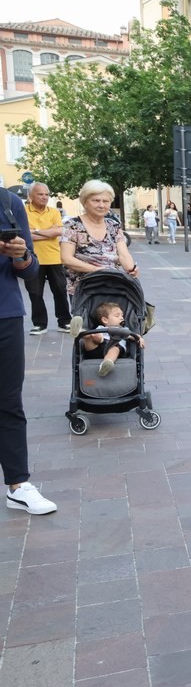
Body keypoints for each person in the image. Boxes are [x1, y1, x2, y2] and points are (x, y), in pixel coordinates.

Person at [1, 189, 56, 516]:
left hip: (5, 313)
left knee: (8, 401)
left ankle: (18, 485)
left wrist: (20, 255)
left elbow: (30, 269)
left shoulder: (8, 203)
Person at [60, 180, 139, 302]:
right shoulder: (72, 225)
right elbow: (66, 258)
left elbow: (124, 254)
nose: (101, 205)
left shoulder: (114, 225)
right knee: (87, 321)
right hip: (84, 288)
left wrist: (131, 269)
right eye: (96, 200)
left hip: (113, 285)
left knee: (114, 320)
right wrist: (97, 270)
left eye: (105, 201)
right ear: (85, 202)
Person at [23, 182, 71, 334]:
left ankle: (64, 321)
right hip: (32, 258)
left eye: (46, 194)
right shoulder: (23, 212)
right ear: (31, 196)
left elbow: (59, 231)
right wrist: (47, 231)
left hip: (54, 257)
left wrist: (35, 231)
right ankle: (40, 324)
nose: (44, 197)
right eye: (40, 194)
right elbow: (25, 235)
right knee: (35, 292)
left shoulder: (54, 212)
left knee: (60, 290)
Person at [78, 302, 144, 377]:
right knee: (91, 337)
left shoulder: (123, 329)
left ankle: (106, 363)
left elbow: (132, 335)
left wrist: (139, 338)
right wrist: (97, 338)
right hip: (97, 347)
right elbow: (96, 336)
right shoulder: (100, 328)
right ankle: (79, 331)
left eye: (122, 315)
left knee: (115, 349)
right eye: (117, 315)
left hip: (114, 345)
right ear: (105, 320)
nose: (121, 317)